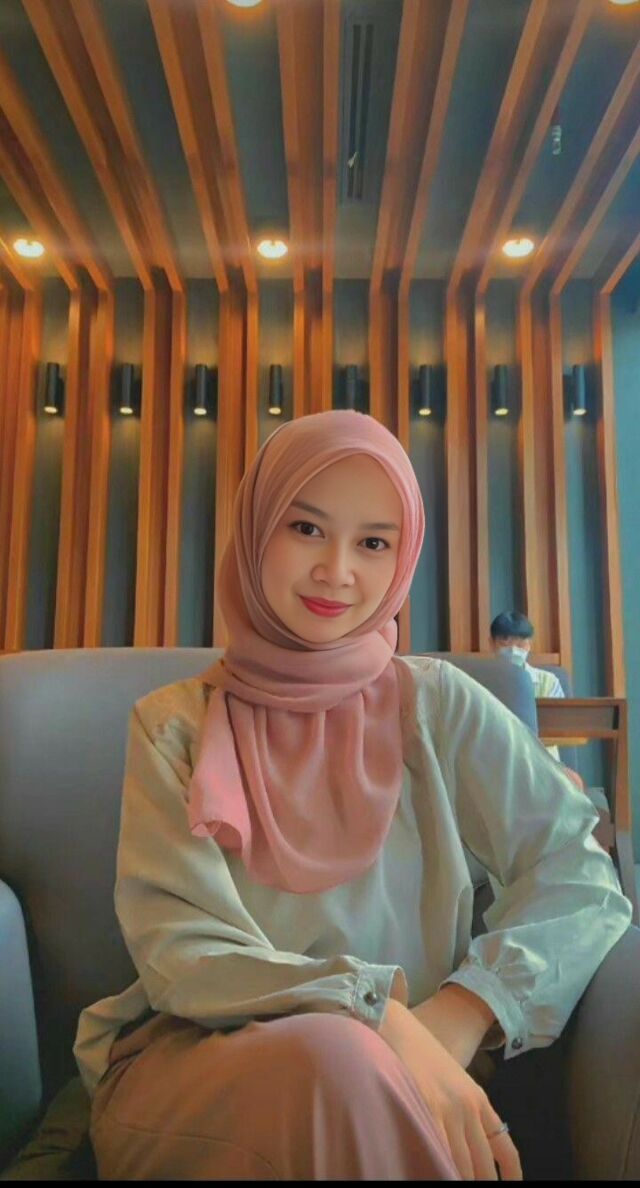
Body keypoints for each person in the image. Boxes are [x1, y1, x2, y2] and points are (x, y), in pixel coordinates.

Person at [75, 411, 631, 1182]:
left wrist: (460, 1014)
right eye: (306, 527)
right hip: (195, 1070)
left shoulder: (439, 706)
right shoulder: (174, 726)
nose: (336, 570)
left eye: (373, 543)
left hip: (412, 1077)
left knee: (355, 1073)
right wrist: (369, 1014)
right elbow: (185, 954)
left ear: (403, 559)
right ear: (256, 530)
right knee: (340, 1062)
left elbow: (578, 873)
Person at [489, 610, 583, 783]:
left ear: (529, 645)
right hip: (496, 762)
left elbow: (561, 727)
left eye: (521, 644)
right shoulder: (478, 681)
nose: (514, 650)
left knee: (574, 781)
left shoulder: (548, 681)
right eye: (506, 642)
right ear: (492, 643)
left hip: (543, 762)